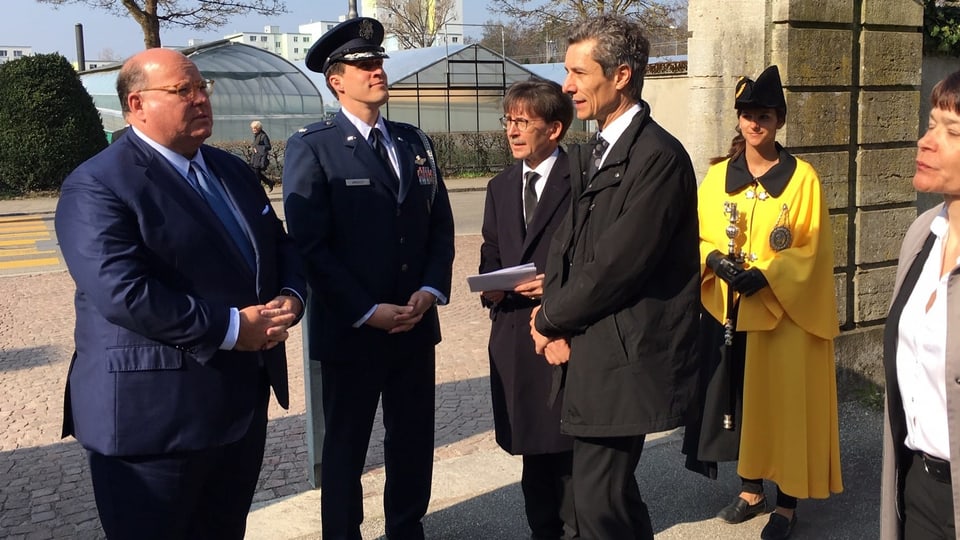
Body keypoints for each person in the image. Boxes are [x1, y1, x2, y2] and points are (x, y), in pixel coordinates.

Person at [54, 47, 306, 539]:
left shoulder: (230, 171)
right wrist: (234, 328)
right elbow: (123, 292)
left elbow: (278, 244)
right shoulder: (97, 185)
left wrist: (292, 295)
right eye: (181, 90)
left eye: (201, 87)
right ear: (136, 105)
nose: (199, 99)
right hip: (153, 423)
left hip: (237, 407)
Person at [282, 17, 455, 540]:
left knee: (411, 442)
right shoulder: (312, 146)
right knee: (346, 447)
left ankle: (407, 528)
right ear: (337, 80)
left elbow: (439, 225)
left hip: (414, 324)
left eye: (378, 62)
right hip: (355, 330)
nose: (377, 71)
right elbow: (311, 245)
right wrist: (365, 309)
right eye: (364, 65)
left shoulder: (413, 141)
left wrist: (429, 289)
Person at [529, 15, 700, 539]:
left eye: (579, 73)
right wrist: (553, 319)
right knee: (609, 498)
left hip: (623, 355)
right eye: (566, 72)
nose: (567, 86)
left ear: (621, 75)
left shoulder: (658, 158)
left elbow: (618, 266)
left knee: (597, 502)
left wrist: (551, 318)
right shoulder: (599, 150)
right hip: (595, 347)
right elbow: (569, 247)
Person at [681, 65, 842, 540]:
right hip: (729, 307)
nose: (756, 124)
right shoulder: (715, 177)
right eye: (748, 114)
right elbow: (693, 234)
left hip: (783, 313)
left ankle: (787, 503)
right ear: (738, 120)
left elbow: (812, 248)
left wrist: (767, 275)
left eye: (765, 115)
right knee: (738, 398)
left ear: (779, 120)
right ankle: (750, 488)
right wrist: (714, 259)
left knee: (785, 404)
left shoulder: (802, 180)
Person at [479, 78, 576, 540]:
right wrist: (492, 285)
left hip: (565, 331)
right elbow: (491, 251)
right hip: (515, 335)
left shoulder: (581, 179)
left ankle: (578, 527)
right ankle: (544, 531)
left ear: (554, 129)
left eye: (523, 122)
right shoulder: (499, 186)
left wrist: (555, 286)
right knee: (533, 451)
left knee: (571, 452)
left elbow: (596, 257)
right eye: (509, 121)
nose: (512, 132)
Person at [881, 69, 960, 540]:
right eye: (931, 124)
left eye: (952, 132)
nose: (927, 141)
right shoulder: (922, 234)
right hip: (918, 490)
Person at [250, 120, 275, 190]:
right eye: (252, 128)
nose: (253, 130)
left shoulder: (263, 136)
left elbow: (268, 146)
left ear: (258, 128)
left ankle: (258, 189)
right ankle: (269, 182)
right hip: (255, 158)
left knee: (256, 173)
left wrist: (257, 148)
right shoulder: (256, 135)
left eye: (255, 128)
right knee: (255, 172)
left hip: (260, 158)